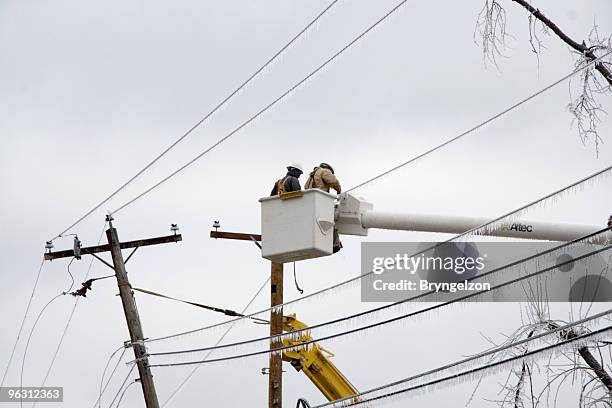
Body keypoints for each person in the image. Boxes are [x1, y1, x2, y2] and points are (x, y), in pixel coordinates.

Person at [305, 162, 343, 253]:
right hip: (322, 201)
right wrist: (339, 190)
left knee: (318, 225)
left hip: (312, 202)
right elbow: (333, 181)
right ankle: (335, 244)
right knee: (331, 222)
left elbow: (306, 187)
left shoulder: (311, 176)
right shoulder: (324, 171)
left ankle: (321, 242)